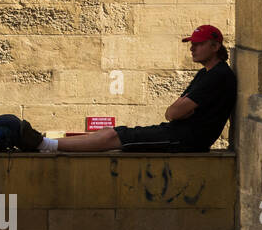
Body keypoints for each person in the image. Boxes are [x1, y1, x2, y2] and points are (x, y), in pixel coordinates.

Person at [33, 25, 236, 153]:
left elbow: (174, 112)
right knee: (112, 132)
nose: (192, 48)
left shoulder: (218, 76)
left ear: (215, 46)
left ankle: (47, 145)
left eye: (198, 44)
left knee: (116, 137)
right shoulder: (206, 73)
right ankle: (48, 143)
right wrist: (179, 110)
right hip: (177, 132)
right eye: (192, 44)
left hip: (185, 140)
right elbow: (172, 113)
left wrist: (180, 110)